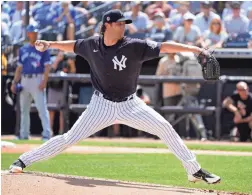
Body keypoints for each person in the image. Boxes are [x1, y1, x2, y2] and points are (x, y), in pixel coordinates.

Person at [9, 9, 221, 184]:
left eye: (124, 23)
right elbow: (72, 45)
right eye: (119, 23)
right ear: (107, 25)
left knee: (165, 128)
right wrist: (50, 44)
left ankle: (194, 170)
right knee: (68, 138)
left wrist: (195, 49)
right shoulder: (91, 45)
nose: (123, 26)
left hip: (131, 104)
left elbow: (165, 46)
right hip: (101, 105)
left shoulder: (134, 46)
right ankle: (23, 161)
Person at [10, 24, 51, 141]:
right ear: (28, 34)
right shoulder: (23, 49)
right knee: (24, 109)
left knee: (42, 108)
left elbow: (47, 67)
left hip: (37, 78)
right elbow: (19, 68)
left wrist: (44, 81)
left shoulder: (43, 48)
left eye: (36, 32)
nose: (35, 34)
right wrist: (14, 82)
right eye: (33, 32)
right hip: (25, 80)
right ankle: (24, 134)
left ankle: (46, 134)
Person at [48, 52, 76, 136]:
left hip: (64, 89)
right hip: (53, 87)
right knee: (51, 111)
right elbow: (49, 72)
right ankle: (49, 132)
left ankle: (62, 132)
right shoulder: (52, 59)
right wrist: (57, 61)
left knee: (63, 111)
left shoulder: (68, 60)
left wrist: (71, 64)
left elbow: (73, 75)